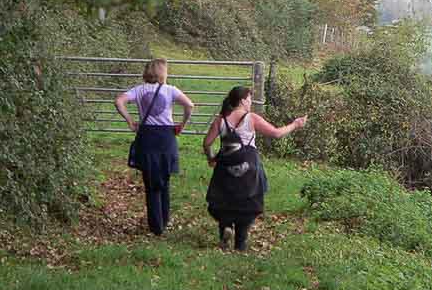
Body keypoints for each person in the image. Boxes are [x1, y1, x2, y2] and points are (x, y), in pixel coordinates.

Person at [202, 86, 306, 251]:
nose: (250, 102)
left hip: (225, 167)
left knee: (223, 200)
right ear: (243, 100)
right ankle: (240, 244)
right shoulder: (251, 118)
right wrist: (295, 124)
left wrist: (211, 158)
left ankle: (226, 228)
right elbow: (276, 133)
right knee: (248, 204)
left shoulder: (220, 120)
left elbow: (207, 143)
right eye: (249, 98)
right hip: (248, 168)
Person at [115, 58, 194, 235]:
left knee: (150, 181)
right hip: (166, 136)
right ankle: (164, 221)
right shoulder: (170, 90)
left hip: (147, 136)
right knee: (164, 179)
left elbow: (119, 101)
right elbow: (189, 105)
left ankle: (156, 226)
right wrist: (183, 124)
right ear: (162, 72)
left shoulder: (139, 89)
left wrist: (130, 121)